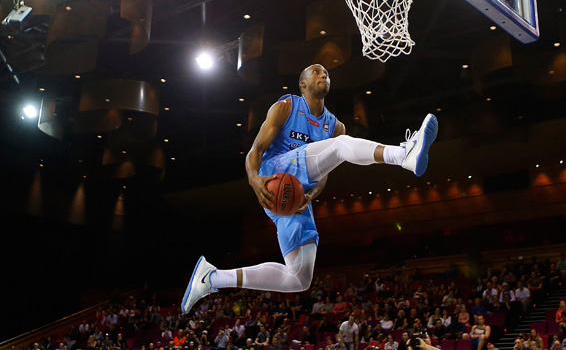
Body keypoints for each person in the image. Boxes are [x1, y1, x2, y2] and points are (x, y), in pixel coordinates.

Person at [181, 64, 438, 313]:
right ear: (302, 84)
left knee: (299, 278)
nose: (323, 75)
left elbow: (322, 174)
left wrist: (310, 195)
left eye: (326, 73)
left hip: (293, 195)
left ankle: (212, 278)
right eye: (317, 72)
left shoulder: (335, 126)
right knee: (340, 146)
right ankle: (402, 154)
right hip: (274, 175)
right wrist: (253, 178)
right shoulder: (287, 106)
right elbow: (255, 150)